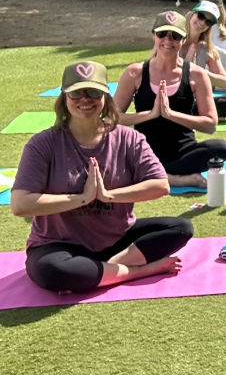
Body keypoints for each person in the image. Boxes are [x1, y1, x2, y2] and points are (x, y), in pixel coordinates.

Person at [10, 61, 193, 293]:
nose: (85, 99)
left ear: (105, 96)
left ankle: (102, 270)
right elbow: (19, 204)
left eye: (93, 92)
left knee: (181, 228)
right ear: (64, 97)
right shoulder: (42, 144)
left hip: (117, 240)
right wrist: (82, 198)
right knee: (53, 272)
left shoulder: (128, 139)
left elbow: (160, 185)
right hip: (59, 246)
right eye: (76, 92)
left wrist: (108, 195)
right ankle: (139, 270)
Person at [113, 10, 226, 188]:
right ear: (153, 36)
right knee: (105, 152)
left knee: (221, 148)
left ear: (183, 39)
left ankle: (151, 174)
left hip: (182, 152)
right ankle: (174, 178)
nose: (168, 41)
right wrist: (150, 114)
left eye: (175, 36)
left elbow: (210, 124)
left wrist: (170, 114)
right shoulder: (134, 72)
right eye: (162, 34)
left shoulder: (196, 75)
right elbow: (111, 119)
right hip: (143, 150)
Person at [180, 0, 226, 119]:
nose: (202, 22)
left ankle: (193, 114)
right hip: (169, 94)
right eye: (201, 16)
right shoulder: (173, 39)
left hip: (193, 100)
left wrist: (199, 72)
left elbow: (223, 81)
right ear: (192, 14)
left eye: (208, 21)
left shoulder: (207, 48)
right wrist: (185, 67)